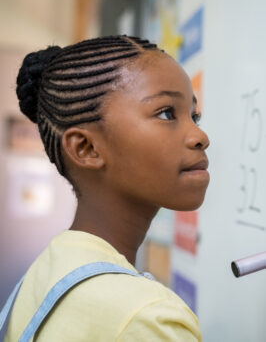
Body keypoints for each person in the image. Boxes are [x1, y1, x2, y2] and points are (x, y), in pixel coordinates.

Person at [4, 35, 210, 341]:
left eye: (194, 116)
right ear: (86, 148)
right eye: (166, 113)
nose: (200, 136)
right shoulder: (145, 317)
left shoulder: (49, 268)